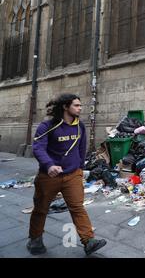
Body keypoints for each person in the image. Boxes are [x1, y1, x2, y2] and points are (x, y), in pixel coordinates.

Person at [28, 94, 107, 256]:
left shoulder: (79, 126)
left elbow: (81, 148)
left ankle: (88, 241)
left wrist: (79, 168)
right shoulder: (47, 126)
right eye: (76, 105)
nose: (80, 108)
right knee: (41, 209)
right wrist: (49, 165)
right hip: (48, 176)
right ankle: (35, 239)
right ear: (65, 107)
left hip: (72, 175)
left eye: (80, 105)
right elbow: (38, 148)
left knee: (77, 207)